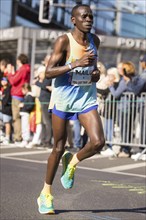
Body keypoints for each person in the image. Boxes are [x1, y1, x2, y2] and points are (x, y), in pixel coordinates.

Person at [37, 4, 105, 215]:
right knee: (58, 148)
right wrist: (75, 63)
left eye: (91, 16)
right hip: (63, 100)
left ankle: (72, 163)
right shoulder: (64, 41)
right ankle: (45, 194)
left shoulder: (95, 41)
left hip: (85, 98)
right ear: (73, 20)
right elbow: (48, 73)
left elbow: (94, 70)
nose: (88, 19)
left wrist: (96, 75)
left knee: (98, 142)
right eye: (83, 16)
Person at [108, 61, 145, 158]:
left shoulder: (125, 81)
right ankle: (126, 148)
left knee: (125, 129)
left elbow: (116, 94)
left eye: (121, 68)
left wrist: (110, 86)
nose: (119, 69)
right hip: (130, 107)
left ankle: (125, 149)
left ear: (125, 70)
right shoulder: (132, 79)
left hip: (124, 108)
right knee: (127, 129)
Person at [7, 54, 30, 143]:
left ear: (20, 61)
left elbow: (13, 81)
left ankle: (18, 137)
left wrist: (9, 73)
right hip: (21, 94)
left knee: (16, 118)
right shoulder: (27, 68)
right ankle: (19, 136)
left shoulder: (22, 69)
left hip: (17, 94)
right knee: (20, 117)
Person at [34, 65, 53, 148]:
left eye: (40, 73)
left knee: (47, 122)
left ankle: (48, 140)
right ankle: (43, 140)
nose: (39, 75)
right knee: (42, 122)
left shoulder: (48, 78)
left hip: (46, 102)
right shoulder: (44, 80)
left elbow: (44, 86)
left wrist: (37, 82)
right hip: (42, 102)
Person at [19, 83, 35, 147]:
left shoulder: (29, 96)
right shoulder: (27, 96)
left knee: (26, 127)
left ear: (26, 89)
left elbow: (30, 105)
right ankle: (24, 139)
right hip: (24, 113)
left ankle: (26, 140)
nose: (22, 91)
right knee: (23, 127)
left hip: (26, 113)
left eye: (23, 90)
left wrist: (24, 105)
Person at [0, 77, 12, 144]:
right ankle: (1, 135)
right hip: (2, 109)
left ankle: (7, 138)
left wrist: (2, 100)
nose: (3, 82)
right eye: (2, 81)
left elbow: (6, 100)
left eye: (5, 81)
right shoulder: (3, 89)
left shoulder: (8, 89)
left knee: (7, 123)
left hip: (7, 109)